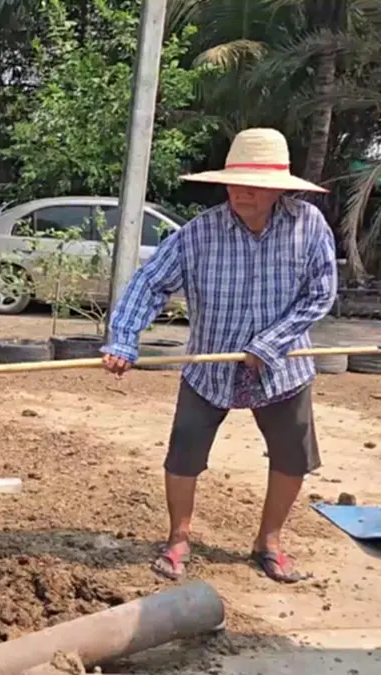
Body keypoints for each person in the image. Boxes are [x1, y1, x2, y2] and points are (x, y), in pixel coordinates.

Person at [101, 127, 337, 584]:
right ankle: (178, 539)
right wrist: (124, 340)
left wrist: (269, 344)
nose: (240, 192)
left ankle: (269, 541)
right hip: (208, 366)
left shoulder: (308, 226)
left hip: (283, 368)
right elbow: (150, 283)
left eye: (252, 184)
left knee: (292, 456)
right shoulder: (200, 233)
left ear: (277, 190)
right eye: (234, 181)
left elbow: (320, 295)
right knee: (183, 453)